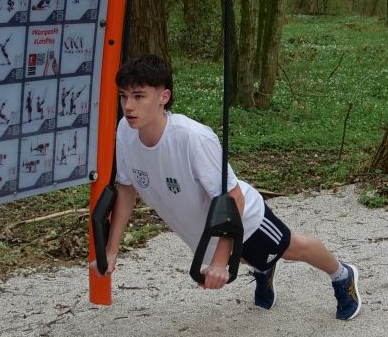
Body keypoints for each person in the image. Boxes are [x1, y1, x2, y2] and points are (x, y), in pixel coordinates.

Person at [97, 54, 362, 321]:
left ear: (163, 97)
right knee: (250, 258)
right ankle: (263, 268)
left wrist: (220, 261)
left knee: (294, 249)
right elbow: (126, 190)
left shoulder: (193, 139)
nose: (128, 106)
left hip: (245, 219)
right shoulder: (126, 131)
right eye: (123, 96)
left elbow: (234, 198)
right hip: (205, 227)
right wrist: (111, 250)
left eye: (139, 96)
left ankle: (342, 274)